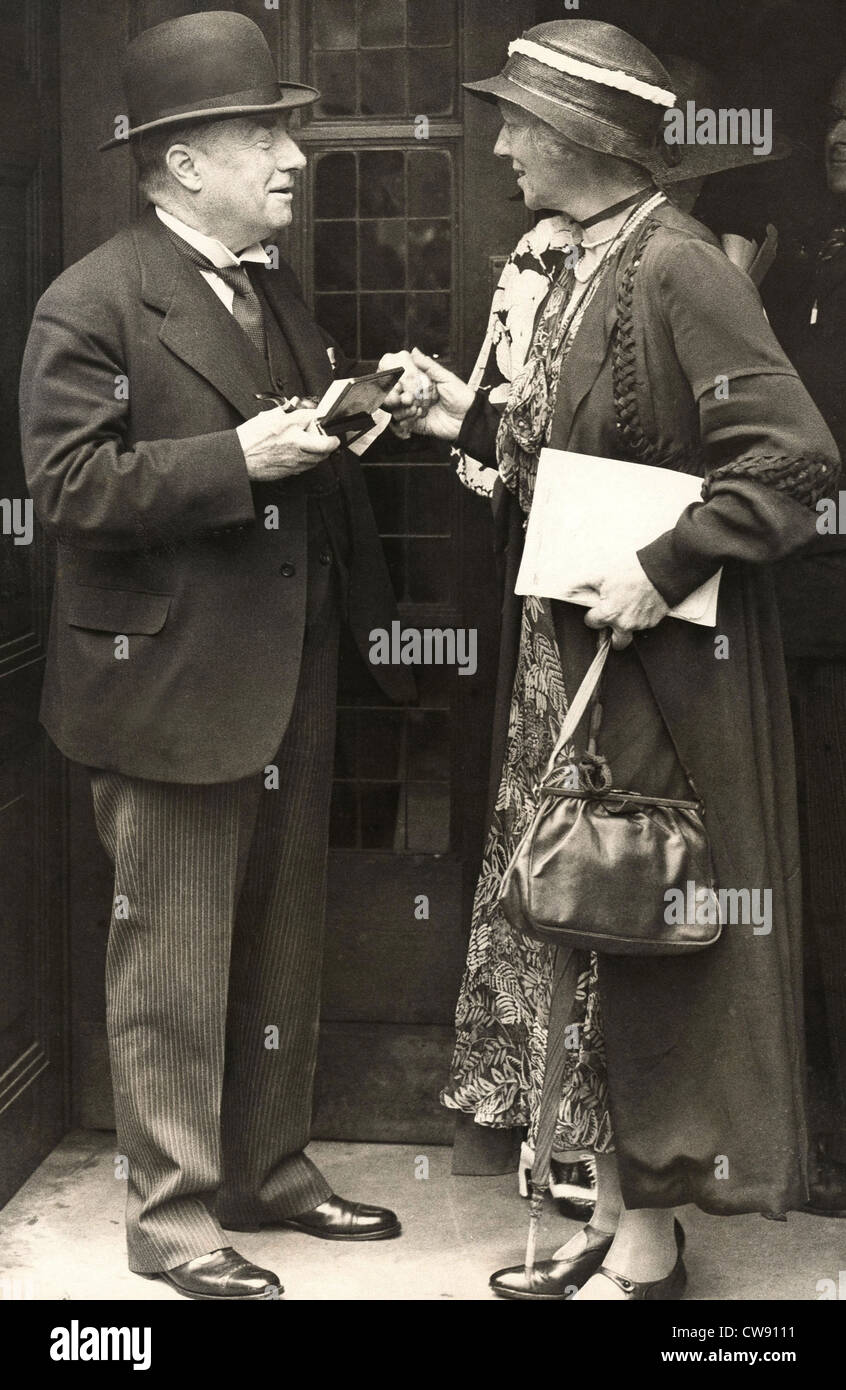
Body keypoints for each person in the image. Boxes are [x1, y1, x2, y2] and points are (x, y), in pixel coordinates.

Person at [384, 18, 839, 1300]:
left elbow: (794, 462)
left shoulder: (679, 265)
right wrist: (461, 415)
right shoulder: (591, 258)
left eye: (522, 123)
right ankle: (613, 1212)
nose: (504, 143)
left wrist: (664, 563)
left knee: (632, 927)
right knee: (582, 923)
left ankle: (649, 1240)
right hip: (574, 660)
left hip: (659, 672)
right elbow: (574, 448)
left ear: (587, 142)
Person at [19, 11, 414, 1301]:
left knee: (280, 943)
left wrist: (357, 418)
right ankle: (175, 1217)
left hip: (287, 675)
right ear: (183, 161)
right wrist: (238, 462)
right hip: (166, 689)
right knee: (173, 961)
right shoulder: (88, 300)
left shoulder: (270, 285)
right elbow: (70, 489)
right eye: (266, 135)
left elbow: (283, 439)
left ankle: (268, 1167)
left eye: (286, 130)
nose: (295, 156)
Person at [771, 64, 846, 1218]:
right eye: (837, 132)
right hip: (814, 616)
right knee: (819, 876)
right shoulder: (818, 268)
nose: (841, 148)